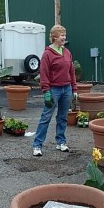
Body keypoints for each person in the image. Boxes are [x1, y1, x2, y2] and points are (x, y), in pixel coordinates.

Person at [32, 24, 78, 156]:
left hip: (67, 89)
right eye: (62, 35)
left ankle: (61, 142)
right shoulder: (47, 54)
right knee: (46, 117)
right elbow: (44, 73)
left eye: (64, 35)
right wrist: (46, 91)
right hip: (53, 90)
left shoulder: (67, 52)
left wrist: (74, 89)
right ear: (54, 37)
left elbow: (72, 71)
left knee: (62, 117)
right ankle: (37, 145)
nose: (64, 37)